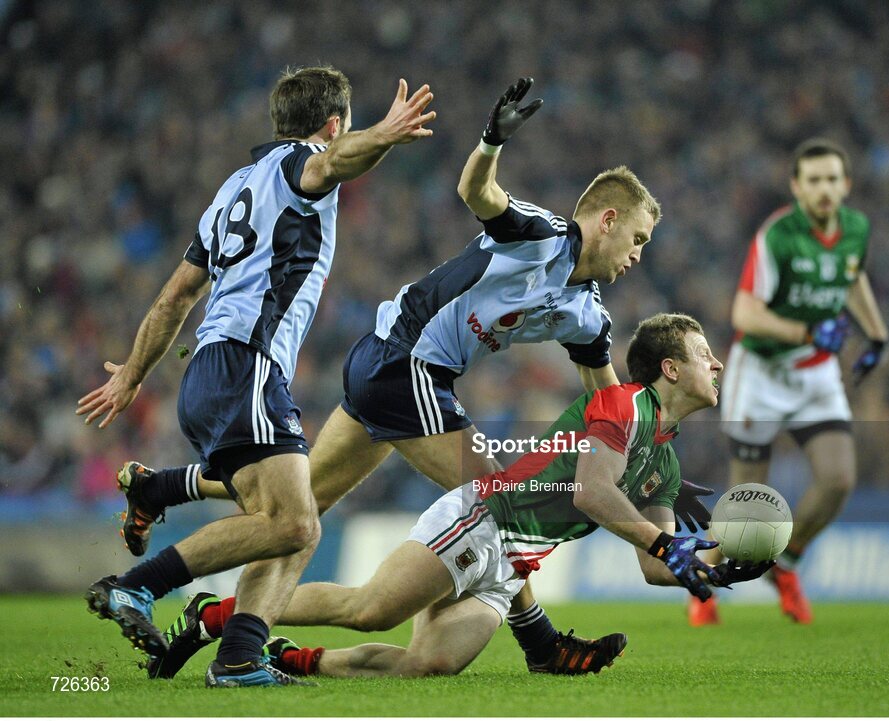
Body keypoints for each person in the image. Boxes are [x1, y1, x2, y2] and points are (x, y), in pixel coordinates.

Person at [123, 77, 661, 678]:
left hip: (393, 373)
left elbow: (611, 406)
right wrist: (491, 140)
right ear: (607, 220)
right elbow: (475, 190)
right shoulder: (544, 236)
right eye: (637, 238)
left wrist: (644, 462)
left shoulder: (588, 317)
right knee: (498, 500)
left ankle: (217, 608)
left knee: (297, 512)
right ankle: (542, 644)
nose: (637, 254)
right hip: (405, 361)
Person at [151, 313, 774, 679]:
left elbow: (650, 564)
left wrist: (718, 567)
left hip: (514, 563)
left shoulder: (663, 458)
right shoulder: (620, 405)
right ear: (669, 368)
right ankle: (214, 615)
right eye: (704, 355)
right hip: (483, 520)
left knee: (429, 665)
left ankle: (293, 661)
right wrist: (670, 541)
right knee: (370, 609)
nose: (717, 365)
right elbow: (590, 493)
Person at [75, 65, 436, 686]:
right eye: (341, 128)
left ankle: (239, 656)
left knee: (294, 520)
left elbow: (173, 298)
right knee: (294, 523)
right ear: (331, 124)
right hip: (248, 363)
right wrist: (383, 133)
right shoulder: (302, 163)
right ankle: (136, 587)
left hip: (212, 371)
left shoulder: (232, 189)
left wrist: (133, 374)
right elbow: (330, 164)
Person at [694, 139, 889, 626]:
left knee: (838, 479)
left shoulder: (856, 229)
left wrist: (877, 334)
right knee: (745, 505)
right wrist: (805, 330)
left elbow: (852, 276)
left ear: (845, 185)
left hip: (815, 374)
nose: (825, 189)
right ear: (797, 187)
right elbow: (744, 312)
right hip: (760, 373)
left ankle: (785, 563)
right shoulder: (778, 236)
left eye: (832, 179)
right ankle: (701, 581)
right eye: (814, 180)